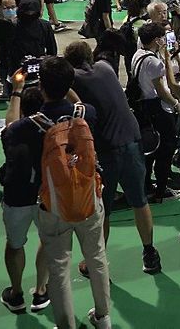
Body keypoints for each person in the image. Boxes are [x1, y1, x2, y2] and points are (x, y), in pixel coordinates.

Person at [63, 41, 159, 274]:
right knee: (139, 201)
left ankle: (97, 260)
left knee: (102, 209)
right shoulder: (105, 67)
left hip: (106, 149)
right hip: (132, 139)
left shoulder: (72, 79)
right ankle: (149, 252)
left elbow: (74, 103)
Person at [34, 56, 112, 329]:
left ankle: (66, 324)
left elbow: (10, 132)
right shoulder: (85, 113)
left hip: (53, 204)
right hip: (89, 197)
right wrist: (67, 86)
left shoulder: (32, 124)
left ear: (40, 86)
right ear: (70, 84)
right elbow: (80, 105)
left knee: (58, 268)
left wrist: (19, 92)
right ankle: (103, 317)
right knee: (97, 258)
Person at [0, 84, 51, 313]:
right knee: (48, 240)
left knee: (14, 244)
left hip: (16, 196)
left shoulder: (12, 132)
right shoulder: (53, 130)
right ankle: (41, 291)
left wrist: (16, 91)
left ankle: (16, 293)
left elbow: (10, 121)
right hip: (45, 195)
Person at [132, 22, 180, 203]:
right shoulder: (154, 62)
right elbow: (161, 90)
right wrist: (176, 103)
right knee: (165, 150)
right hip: (158, 109)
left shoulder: (138, 55)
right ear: (156, 40)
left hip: (143, 107)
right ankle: (161, 190)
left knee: (149, 149)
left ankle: (147, 185)